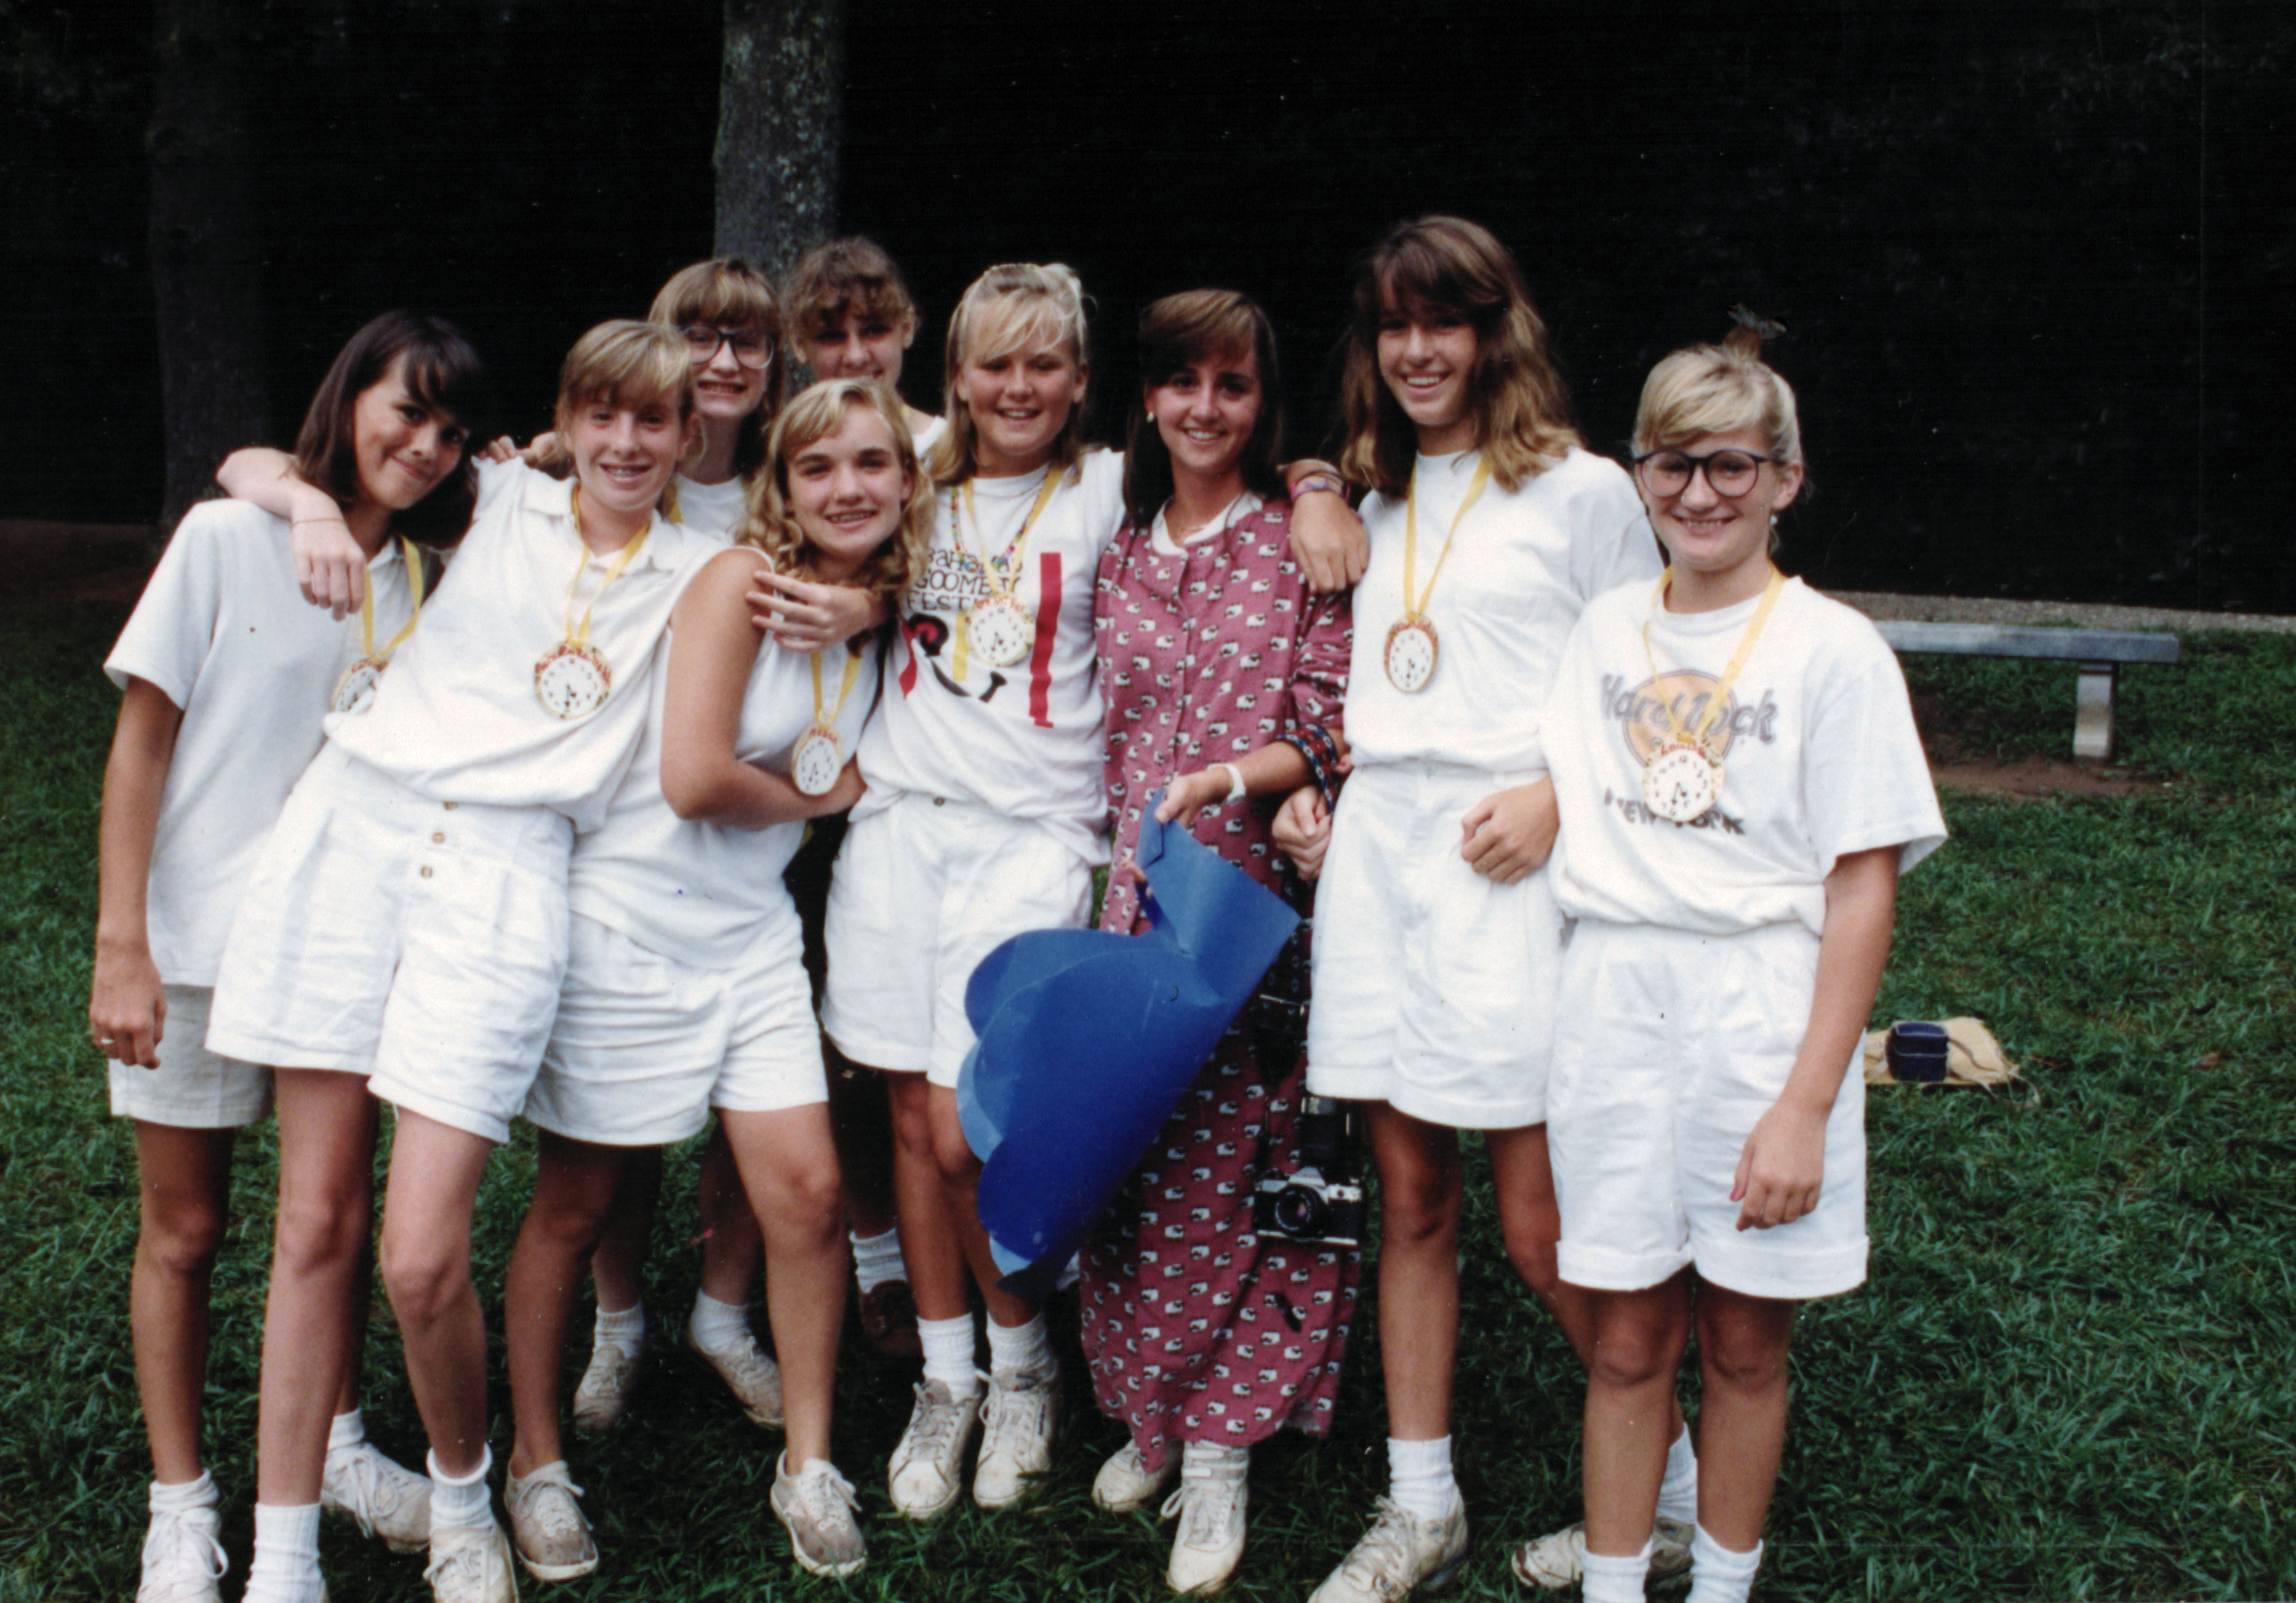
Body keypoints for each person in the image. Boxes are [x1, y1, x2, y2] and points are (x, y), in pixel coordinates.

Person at [206, 320, 717, 1603]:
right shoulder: (496, 498)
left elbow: (846, 574)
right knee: (312, 1220)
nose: (624, 441)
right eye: (601, 413)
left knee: (421, 1255)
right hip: (354, 833)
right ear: (566, 419)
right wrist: (306, 504)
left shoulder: (703, 569)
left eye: (653, 419)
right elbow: (248, 465)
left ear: (687, 434)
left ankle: (461, 1489)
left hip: (504, 876)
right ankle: (283, 1562)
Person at [1284, 216, 1664, 1603]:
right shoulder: (1369, 490)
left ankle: (1677, 1491)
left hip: (1508, 860)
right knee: (1410, 1197)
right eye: (1393, 324)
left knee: (1538, 1222)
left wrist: (1560, 793)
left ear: (1498, 332)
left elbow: (1645, 681)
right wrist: (1311, 479)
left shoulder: (1584, 490)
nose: (1417, 349)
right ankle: (1421, 1503)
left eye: (1443, 320)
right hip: (1383, 856)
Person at [1533, 332, 1944, 1603]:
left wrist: (1806, 1103)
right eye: (1672, 463)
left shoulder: (1834, 648)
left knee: (1747, 1342)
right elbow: (1555, 785)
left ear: (1786, 479)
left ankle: (1721, 1584)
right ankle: (1616, 1583)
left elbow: (1860, 885)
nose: (1700, 493)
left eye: (1731, 466)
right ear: (1639, 473)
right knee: (1625, 1339)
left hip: (1759, 1011)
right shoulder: (1604, 629)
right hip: (1614, 1002)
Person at [499, 377, 928, 1581]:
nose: (847, 487)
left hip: (750, 936)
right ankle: (535, 1461)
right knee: (577, 1201)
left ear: (908, 479)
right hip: (631, 922)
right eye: (817, 466)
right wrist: (825, 797)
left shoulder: (884, 609)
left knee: (808, 1193)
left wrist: (873, 598)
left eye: (872, 463)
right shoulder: (737, 580)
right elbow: (692, 777)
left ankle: (810, 1462)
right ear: (780, 485)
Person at [92, 310, 478, 1603]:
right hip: (196, 942)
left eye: (449, 429)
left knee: (330, 1220)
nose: (423, 445)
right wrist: (123, 944)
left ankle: (337, 1446)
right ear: (351, 395)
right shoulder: (226, 538)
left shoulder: (430, 576)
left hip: (338, 950)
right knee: (186, 1229)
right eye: (404, 409)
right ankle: (180, 1506)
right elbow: (142, 745)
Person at [821, 260, 1128, 1520]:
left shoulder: (1107, 487)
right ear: (955, 375)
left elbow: (1251, 473)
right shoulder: (917, 471)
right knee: (906, 1112)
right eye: (994, 362)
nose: (1017, 385)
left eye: (1043, 361)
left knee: (967, 1128)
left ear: (1079, 378)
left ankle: (1025, 1365)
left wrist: (1320, 486)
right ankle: (946, 1377)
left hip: (1028, 837)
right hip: (902, 827)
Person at [1079, 289, 1358, 1595]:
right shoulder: (1121, 549)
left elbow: (1325, 720)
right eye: (1182, 381)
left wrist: (1230, 781)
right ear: (1148, 396)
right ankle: (1150, 1406)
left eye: (1232, 384)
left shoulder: (1299, 543)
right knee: (1133, 1159)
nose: (1205, 407)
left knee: (1237, 1163)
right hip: (1138, 903)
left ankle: (1224, 1438)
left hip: (1252, 900)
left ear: (1262, 402)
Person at [563, 257, 868, 1438]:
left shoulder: (793, 475)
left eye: (747, 339)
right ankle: (617, 1322)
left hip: (762, 842)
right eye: (698, 336)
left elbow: (906, 522)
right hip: (629, 838)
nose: (725, 360)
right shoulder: (604, 471)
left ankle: (725, 1311)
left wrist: (866, 604)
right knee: (620, 1111)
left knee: (766, 1090)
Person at [777, 234, 946, 1357]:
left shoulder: (947, 445)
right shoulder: (796, 444)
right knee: (829, 1034)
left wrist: (874, 603)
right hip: (807, 772)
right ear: (802, 344)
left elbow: (981, 574)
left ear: (907, 331)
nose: (854, 351)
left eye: (872, 328)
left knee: (912, 1045)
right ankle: (872, 1250)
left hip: (909, 781)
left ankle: (950, 1255)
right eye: (830, 333)